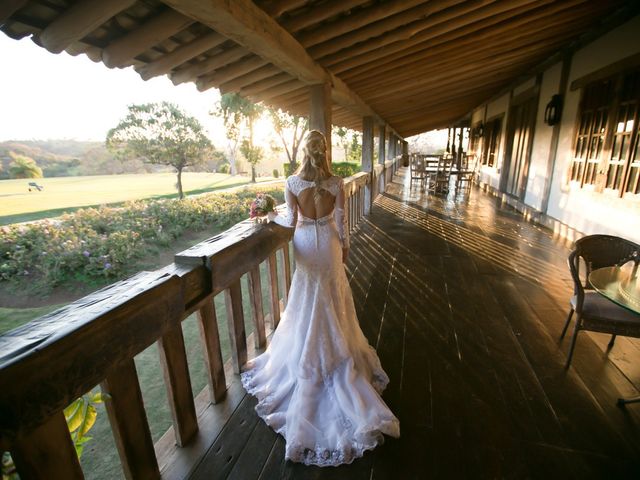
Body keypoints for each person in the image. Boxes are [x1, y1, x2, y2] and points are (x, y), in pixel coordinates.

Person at [241, 130, 400, 467]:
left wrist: (266, 215)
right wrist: (344, 246)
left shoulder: (292, 182)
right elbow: (341, 220)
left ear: (304, 151)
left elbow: (291, 220)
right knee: (332, 300)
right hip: (327, 245)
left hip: (304, 246)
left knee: (305, 299)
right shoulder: (336, 182)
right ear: (324, 152)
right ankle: (336, 351)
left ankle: (308, 353)